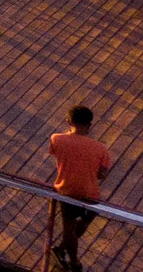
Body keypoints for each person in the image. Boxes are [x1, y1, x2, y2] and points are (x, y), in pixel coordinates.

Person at [48, 104, 113, 272]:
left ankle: (67, 253)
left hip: (66, 191)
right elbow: (101, 174)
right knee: (84, 222)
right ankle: (72, 259)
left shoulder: (56, 139)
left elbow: (55, 153)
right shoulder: (101, 149)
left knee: (68, 229)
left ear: (69, 121)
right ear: (90, 125)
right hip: (90, 194)